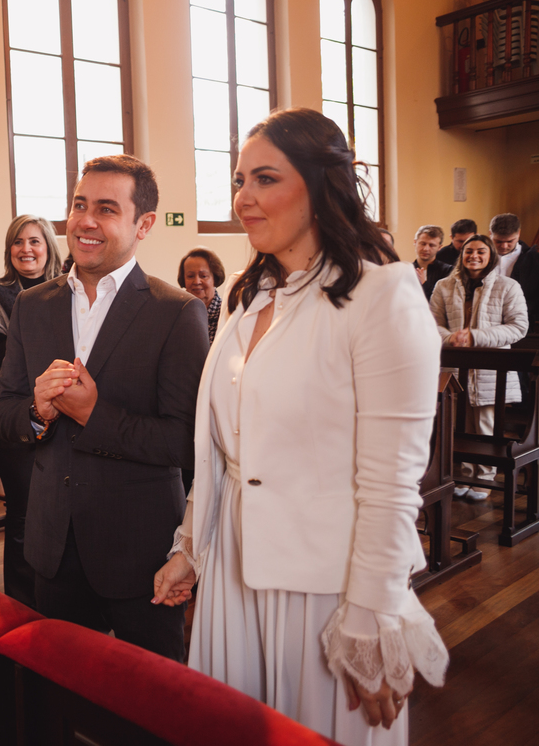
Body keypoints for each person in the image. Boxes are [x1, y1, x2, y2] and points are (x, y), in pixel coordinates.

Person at [153, 108, 448, 745]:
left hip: (326, 585)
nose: (243, 199)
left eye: (265, 179)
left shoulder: (381, 297)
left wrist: (369, 621)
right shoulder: (245, 297)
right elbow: (225, 451)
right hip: (232, 569)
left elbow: (393, 486)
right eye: (238, 180)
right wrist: (189, 546)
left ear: (320, 185)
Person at [0, 156, 209, 660]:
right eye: (79, 205)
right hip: (52, 546)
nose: (86, 221)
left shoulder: (175, 312)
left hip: (139, 553)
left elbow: (186, 442)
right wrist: (37, 411)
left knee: (151, 707)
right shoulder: (33, 305)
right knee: (60, 698)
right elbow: (2, 414)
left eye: (107, 209)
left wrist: (95, 415)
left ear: (144, 224)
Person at [0, 214, 63, 606]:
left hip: (66, 414)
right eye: (18, 242)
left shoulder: (73, 287)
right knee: (25, 513)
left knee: (63, 508)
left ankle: (60, 596)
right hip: (14, 416)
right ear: (10, 251)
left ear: (49, 248)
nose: (26, 249)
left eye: (35, 241)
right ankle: (22, 602)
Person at [429, 234, 528, 501]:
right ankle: (461, 473)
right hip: (454, 364)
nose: (474, 256)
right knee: (455, 423)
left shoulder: (508, 286)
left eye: (481, 252)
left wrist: (475, 336)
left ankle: (483, 477)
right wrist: (451, 337)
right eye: (469, 251)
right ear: (462, 254)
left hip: (490, 368)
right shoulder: (444, 285)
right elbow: (431, 321)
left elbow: (518, 327)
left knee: (485, 424)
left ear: (490, 256)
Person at [177, 247, 226, 343]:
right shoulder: (177, 315)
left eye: (203, 276)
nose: (197, 281)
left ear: (215, 278)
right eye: (190, 276)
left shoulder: (227, 314)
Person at [412, 225, 452, 300]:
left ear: (439, 247)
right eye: (423, 243)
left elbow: (445, 300)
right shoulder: (407, 269)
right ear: (415, 242)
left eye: (432, 245)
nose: (426, 249)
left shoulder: (448, 271)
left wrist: (424, 283)